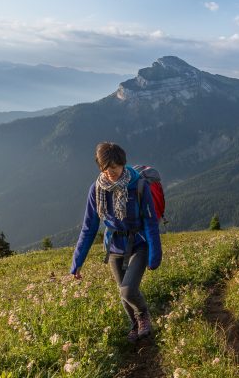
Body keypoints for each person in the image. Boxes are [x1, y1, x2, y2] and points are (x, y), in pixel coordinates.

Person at [70, 142, 162, 343]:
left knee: (128, 289)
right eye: (105, 168)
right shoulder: (97, 190)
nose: (110, 172)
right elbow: (89, 228)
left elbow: (150, 221)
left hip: (139, 244)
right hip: (114, 247)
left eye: (114, 167)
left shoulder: (138, 185)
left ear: (122, 164)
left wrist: (155, 254)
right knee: (123, 293)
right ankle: (135, 325)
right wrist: (77, 263)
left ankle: (143, 315)